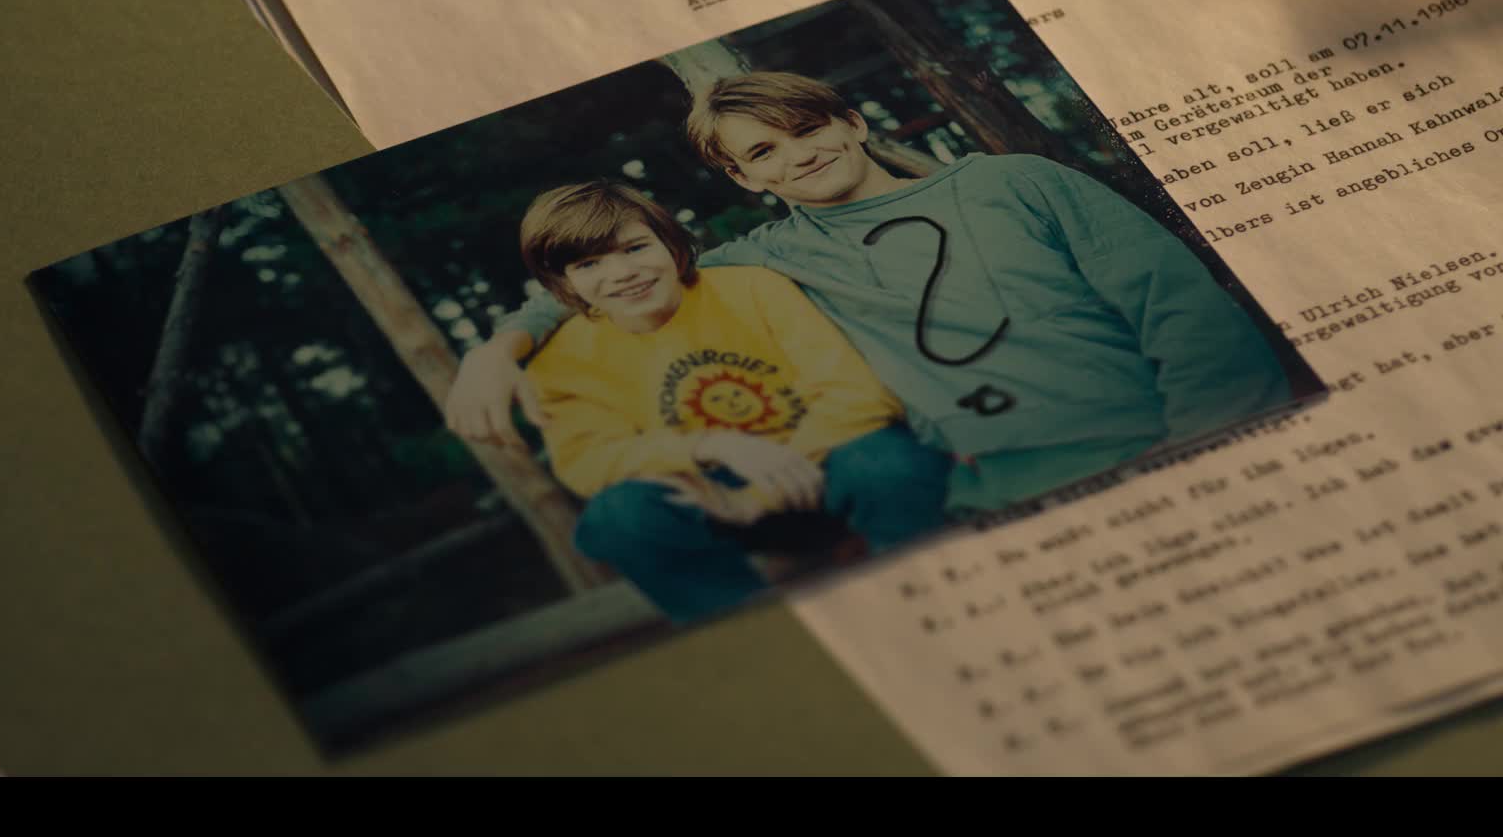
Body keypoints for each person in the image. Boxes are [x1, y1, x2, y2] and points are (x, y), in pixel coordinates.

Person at [459, 71, 1296, 517]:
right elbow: (621, 273)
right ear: (743, 178)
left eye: (807, 130)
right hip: (996, 498)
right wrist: (499, 350)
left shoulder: (1014, 184)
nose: (797, 157)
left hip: (1164, 446)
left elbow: (1181, 315)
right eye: (763, 153)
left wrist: (1213, 448)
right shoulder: (763, 262)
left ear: (852, 123)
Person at [515, 179, 953, 623]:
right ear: (562, 282)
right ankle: (752, 630)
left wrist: (761, 494)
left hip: (822, 466)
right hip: (713, 503)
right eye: (589, 264)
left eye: (634, 248)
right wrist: (709, 446)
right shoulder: (561, 359)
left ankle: (934, 606)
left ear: (670, 244)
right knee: (616, 517)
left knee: (884, 460)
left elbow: (857, 394)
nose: (621, 272)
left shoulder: (752, 288)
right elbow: (587, 460)